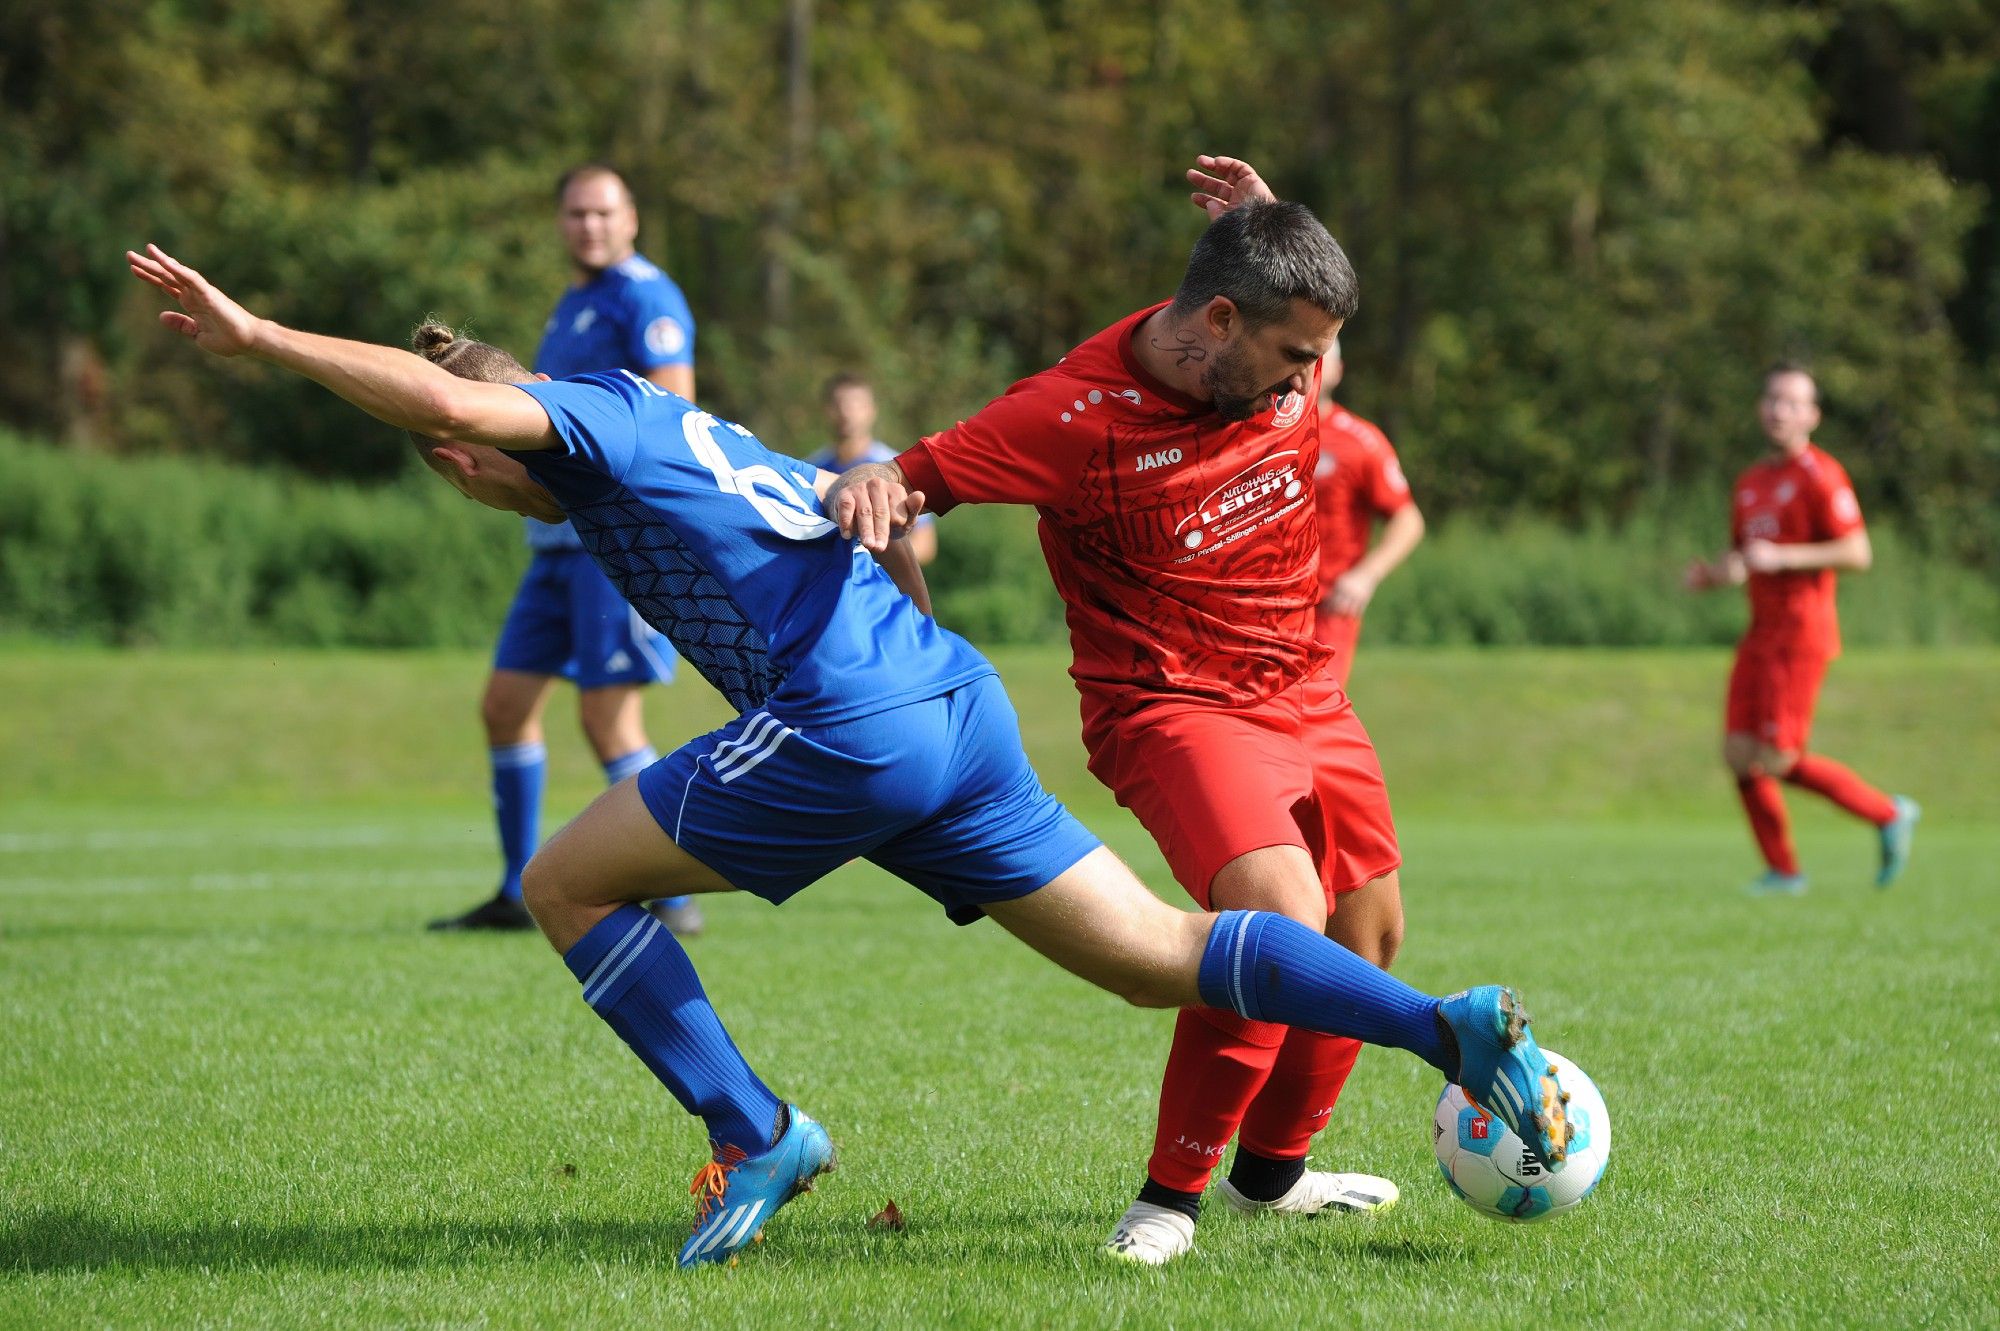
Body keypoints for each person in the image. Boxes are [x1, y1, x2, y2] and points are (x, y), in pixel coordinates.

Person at [125, 242, 1574, 1268]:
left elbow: (453, 401)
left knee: (567, 884)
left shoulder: (588, 417)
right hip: (954, 705)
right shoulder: (679, 427)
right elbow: (753, 498)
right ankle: (1440, 1024)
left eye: (487, 451)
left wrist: (260, 340)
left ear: (497, 440)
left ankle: (757, 1129)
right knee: (1160, 953)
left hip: (850, 732)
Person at [824, 158, 1417, 1264]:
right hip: (1172, 703)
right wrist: (872, 486)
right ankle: (1167, 1197)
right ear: (1222, 322)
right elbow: (907, 484)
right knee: (1276, 922)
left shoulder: (1263, 345)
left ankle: (1271, 1178)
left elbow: (1276, 288)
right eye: (1295, 355)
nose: (1310, 382)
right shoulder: (1068, 417)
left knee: (1367, 931)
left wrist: (1264, 214)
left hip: (1303, 685)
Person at [430, 162, 703, 936]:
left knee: (607, 719)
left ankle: (675, 896)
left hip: (609, 542)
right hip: (553, 541)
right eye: (577, 214)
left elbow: (672, 411)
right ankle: (518, 891)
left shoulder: (646, 296)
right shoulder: (576, 302)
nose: (590, 226)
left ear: (633, 218)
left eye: (603, 213)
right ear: (561, 223)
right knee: (505, 707)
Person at [1685, 363, 1919, 895]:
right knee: (1739, 754)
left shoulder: (1822, 475)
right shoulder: (1750, 483)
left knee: (1778, 759)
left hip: (1801, 632)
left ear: (1812, 415)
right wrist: (1715, 575)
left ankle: (1887, 813)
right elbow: (1749, 557)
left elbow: (1858, 552)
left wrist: (1785, 557)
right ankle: (1784, 872)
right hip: (1759, 633)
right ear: (1759, 408)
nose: (1779, 410)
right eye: (1772, 399)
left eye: (1792, 402)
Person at [1311, 340, 1424, 687]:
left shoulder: (1361, 441)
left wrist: (1366, 575)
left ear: (1339, 372)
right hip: (1261, 605)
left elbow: (1408, 520)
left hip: (1328, 608)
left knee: (1315, 718)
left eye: (1323, 359)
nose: (1313, 367)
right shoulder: (1258, 429)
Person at [806, 373, 937, 565]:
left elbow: (925, 543)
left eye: (856, 404)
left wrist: (875, 565)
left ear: (871, 410)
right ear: (826, 411)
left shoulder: (898, 470)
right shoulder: (811, 469)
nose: (846, 412)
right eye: (838, 404)